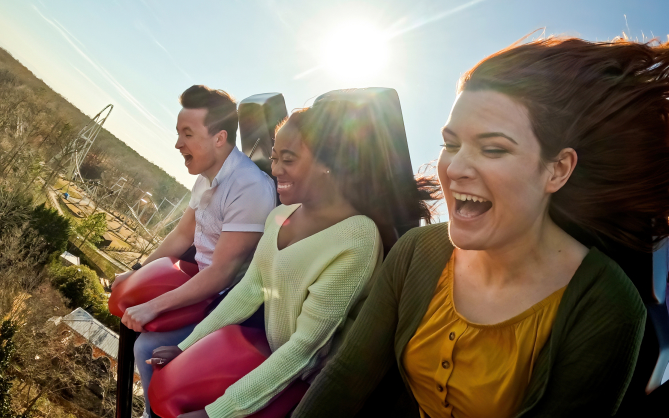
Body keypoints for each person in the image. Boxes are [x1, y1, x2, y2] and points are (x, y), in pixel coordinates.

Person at [292, 37, 669, 418]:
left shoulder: (607, 304)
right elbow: (345, 378)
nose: (454, 169)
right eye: (450, 144)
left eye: (493, 149)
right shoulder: (416, 251)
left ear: (557, 170)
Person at [148, 101, 436, 418]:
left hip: (308, 386)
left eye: (288, 159)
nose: (274, 169)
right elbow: (250, 289)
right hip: (273, 356)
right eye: (274, 157)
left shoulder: (356, 239)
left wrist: (215, 414)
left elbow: (304, 348)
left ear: (329, 164)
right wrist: (185, 346)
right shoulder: (281, 215)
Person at [111, 85, 276, 418]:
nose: (177, 144)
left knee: (147, 347)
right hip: (198, 281)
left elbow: (223, 273)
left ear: (219, 138)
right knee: (128, 304)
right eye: (177, 133)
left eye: (187, 134)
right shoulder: (205, 177)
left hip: (227, 300)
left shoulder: (249, 187)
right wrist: (139, 271)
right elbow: (182, 234)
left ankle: (152, 413)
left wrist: (151, 306)